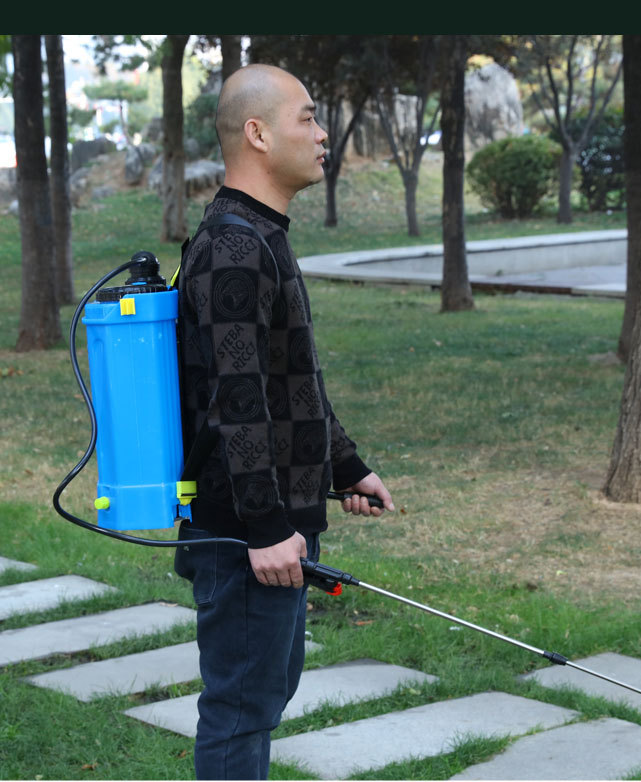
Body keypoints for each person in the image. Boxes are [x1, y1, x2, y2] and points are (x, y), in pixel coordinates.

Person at [173, 63, 395, 780]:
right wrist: (266, 529)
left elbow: (289, 378)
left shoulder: (260, 234)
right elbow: (235, 402)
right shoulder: (235, 246)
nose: (323, 133)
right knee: (240, 711)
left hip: (272, 527)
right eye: (307, 117)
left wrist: (345, 465)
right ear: (258, 134)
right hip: (247, 533)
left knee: (261, 699)